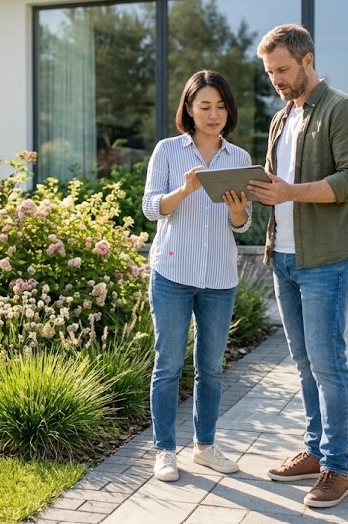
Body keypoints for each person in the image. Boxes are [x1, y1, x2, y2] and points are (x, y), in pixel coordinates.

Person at [246, 23, 348, 508]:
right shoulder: (283, 119)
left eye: (281, 69)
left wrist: (290, 191)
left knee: (328, 363)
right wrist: (251, 190)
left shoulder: (342, 110)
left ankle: (338, 467)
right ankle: (316, 451)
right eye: (269, 72)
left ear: (308, 60)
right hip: (283, 256)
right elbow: (277, 186)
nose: (275, 79)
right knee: (303, 363)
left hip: (325, 259)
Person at [142, 69, 253, 482]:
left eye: (221, 106)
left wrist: (239, 211)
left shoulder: (239, 159)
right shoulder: (168, 151)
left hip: (219, 279)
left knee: (211, 366)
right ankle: (165, 451)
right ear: (188, 109)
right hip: (172, 272)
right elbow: (152, 208)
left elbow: (242, 224)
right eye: (205, 106)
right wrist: (186, 190)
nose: (214, 114)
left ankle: (204, 447)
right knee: (168, 364)